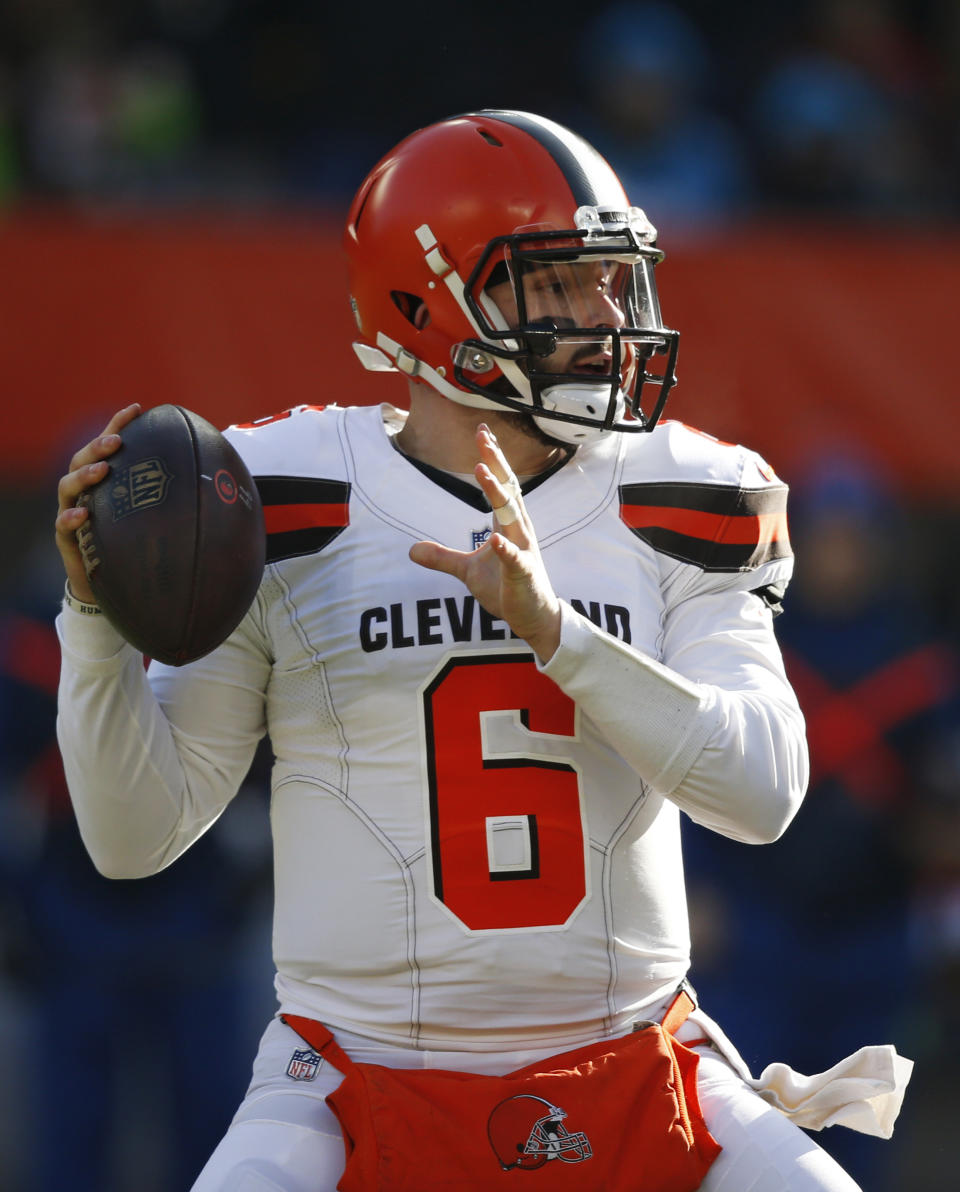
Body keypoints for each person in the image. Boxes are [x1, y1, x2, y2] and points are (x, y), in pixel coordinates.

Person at [55, 110, 910, 1191]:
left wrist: (561, 636)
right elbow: (136, 837)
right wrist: (95, 626)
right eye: (557, 284)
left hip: (638, 1058)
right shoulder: (276, 499)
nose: (606, 313)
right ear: (428, 305)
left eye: (613, 278)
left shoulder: (685, 487)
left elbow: (762, 791)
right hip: (349, 1070)